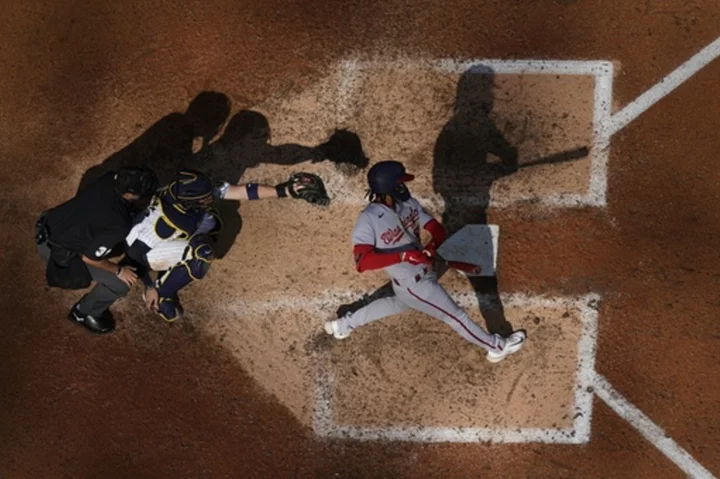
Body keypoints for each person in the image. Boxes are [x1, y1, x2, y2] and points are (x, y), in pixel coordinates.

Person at [323, 161, 526, 363]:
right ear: (387, 188)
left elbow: (437, 230)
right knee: (456, 317)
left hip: (418, 276)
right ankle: (497, 347)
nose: (404, 186)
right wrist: (403, 256)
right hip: (415, 285)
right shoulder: (368, 221)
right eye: (399, 183)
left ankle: (342, 326)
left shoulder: (407, 203)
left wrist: (431, 247)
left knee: (397, 303)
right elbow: (363, 262)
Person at [125, 168, 329, 321]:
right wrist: (149, 286)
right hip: (147, 252)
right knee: (202, 254)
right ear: (190, 202)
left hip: (166, 234)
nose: (209, 198)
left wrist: (285, 190)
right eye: (204, 198)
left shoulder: (180, 194)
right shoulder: (164, 224)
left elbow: (241, 191)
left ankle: (176, 264)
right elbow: (134, 256)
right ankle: (163, 294)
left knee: (212, 220)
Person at [35, 166, 159, 333]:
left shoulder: (110, 176)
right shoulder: (119, 224)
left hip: (48, 222)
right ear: (129, 195)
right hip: (56, 252)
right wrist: (119, 270)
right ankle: (84, 313)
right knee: (120, 285)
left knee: (109, 239)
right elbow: (89, 258)